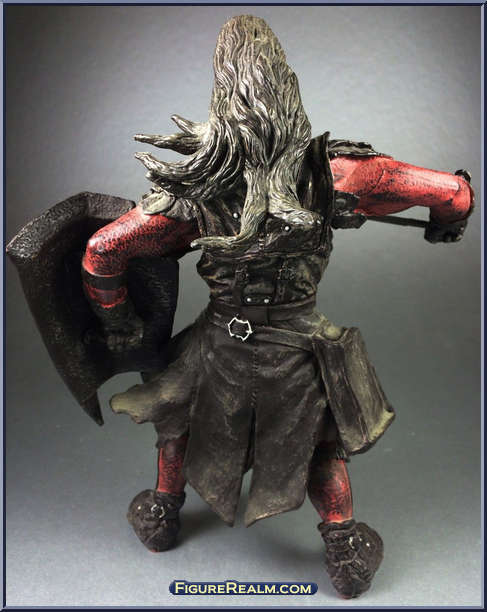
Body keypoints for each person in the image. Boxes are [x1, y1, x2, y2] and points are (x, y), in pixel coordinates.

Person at [81, 15, 473, 599]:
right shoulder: (345, 174)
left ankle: (162, 514)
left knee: (181, 420)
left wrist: (118, 320)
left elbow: (102, 250)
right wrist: (447, 224)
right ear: (288, 89)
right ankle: (344, 550)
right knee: (319, 444)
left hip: (219, 340)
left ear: (221, 93)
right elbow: (453, 193)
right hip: (299, 344)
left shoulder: (191, 189)